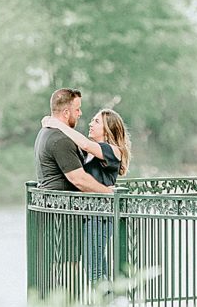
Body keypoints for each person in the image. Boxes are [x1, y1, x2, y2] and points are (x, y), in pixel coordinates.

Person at [42, 107, 132, 282]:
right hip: (91, 214)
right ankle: (111, 303)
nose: (90, 124)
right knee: (97, 265)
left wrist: (57, 124)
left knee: (93, 268)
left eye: (96, 121)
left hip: (101, 216)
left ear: (108, 129)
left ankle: (109, 306)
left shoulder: (113, 150)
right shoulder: (92, 152)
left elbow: (84, 143)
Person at [33, 88, 113, 194]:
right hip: (62, 207)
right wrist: (111, 193)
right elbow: (79, 180)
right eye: (77, 109)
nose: (80, 113)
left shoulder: (45, 132)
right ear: (66, 113)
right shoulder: (60, 140)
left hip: (56, 203)